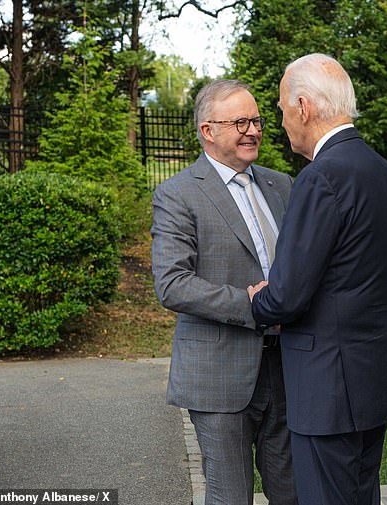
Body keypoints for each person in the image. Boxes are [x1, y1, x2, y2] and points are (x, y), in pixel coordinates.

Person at [248, 54, 387, 505]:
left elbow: (286, 296)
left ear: (303, 106)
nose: (280, 122)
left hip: (327, 390)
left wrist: (257, 300)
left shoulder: (320, 177)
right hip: (372, 378)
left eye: (281, 110)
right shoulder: (384, 172)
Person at [151, 80, 297, 505]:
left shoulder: (281, 185)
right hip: (218, 374)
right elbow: (173, 283)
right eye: (239, 122)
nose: (252, 130)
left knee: (293, 494)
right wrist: (252, 305)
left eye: (256, 120)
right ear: (207, 131)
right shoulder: (177, 194)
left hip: (287, 367)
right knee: (230, 496)